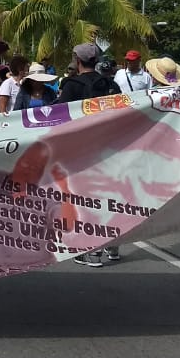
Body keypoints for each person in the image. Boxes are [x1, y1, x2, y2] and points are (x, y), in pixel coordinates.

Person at [55, 43, 121, 266]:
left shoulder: (71, 85)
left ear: (77, 60)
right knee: (108, 199)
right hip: (109, 150)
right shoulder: (111, 84)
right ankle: (113, 245)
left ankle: (91, 252)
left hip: (81, 152)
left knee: (85, 201)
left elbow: (59, 118)